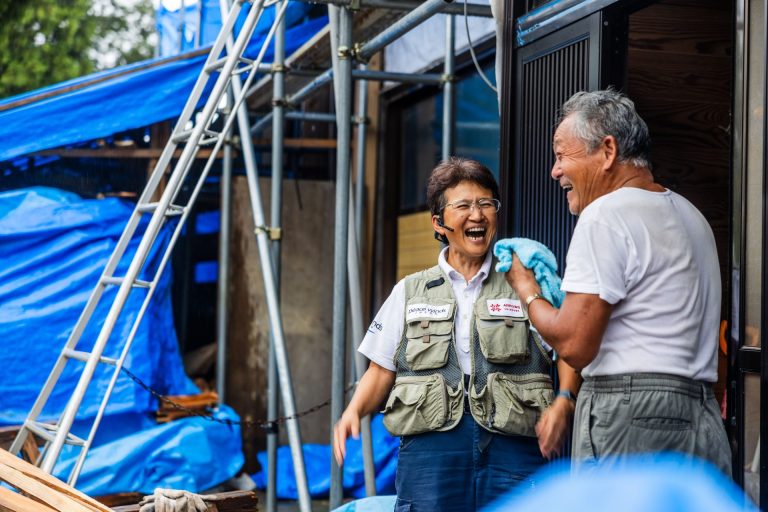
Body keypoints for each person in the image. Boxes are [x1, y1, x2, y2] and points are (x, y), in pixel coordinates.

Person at [505, 89, 732, 475]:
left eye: (561, 155)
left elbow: (575, 345)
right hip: (701, 411)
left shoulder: (605, 213)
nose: (555, 171)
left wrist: (526, 288)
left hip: (630, 412)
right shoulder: (692, 216)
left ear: (608, 151)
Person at [333, 157, 580, 511]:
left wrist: (565, 399)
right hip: (430, 452)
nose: (477, 215)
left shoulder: (524, 279)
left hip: (513, 447)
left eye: (486, 204)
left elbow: (566, 346)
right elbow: (381, 368)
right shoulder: (410, 290)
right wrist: (353, 411)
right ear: (439, 222)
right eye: (463, 206)